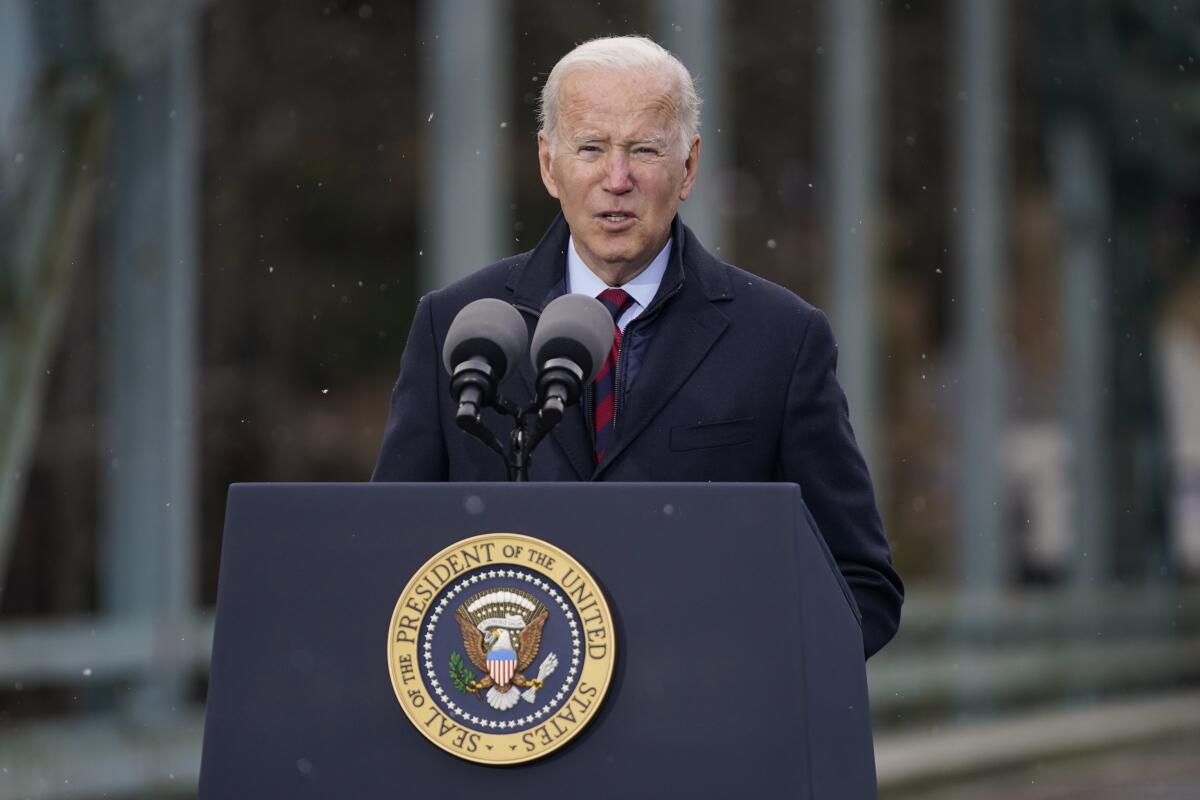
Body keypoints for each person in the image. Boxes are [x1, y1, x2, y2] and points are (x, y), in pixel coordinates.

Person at [373, 36, 903, 658]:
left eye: (644, 150)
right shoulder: (458, 327)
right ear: (548, 164)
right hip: (509, 726)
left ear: (689, 166)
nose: (616, 179)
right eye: (591, 148)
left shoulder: (782, 339)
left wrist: (741, 674)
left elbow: (861, 585)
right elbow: (390, 558)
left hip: (702, 737)